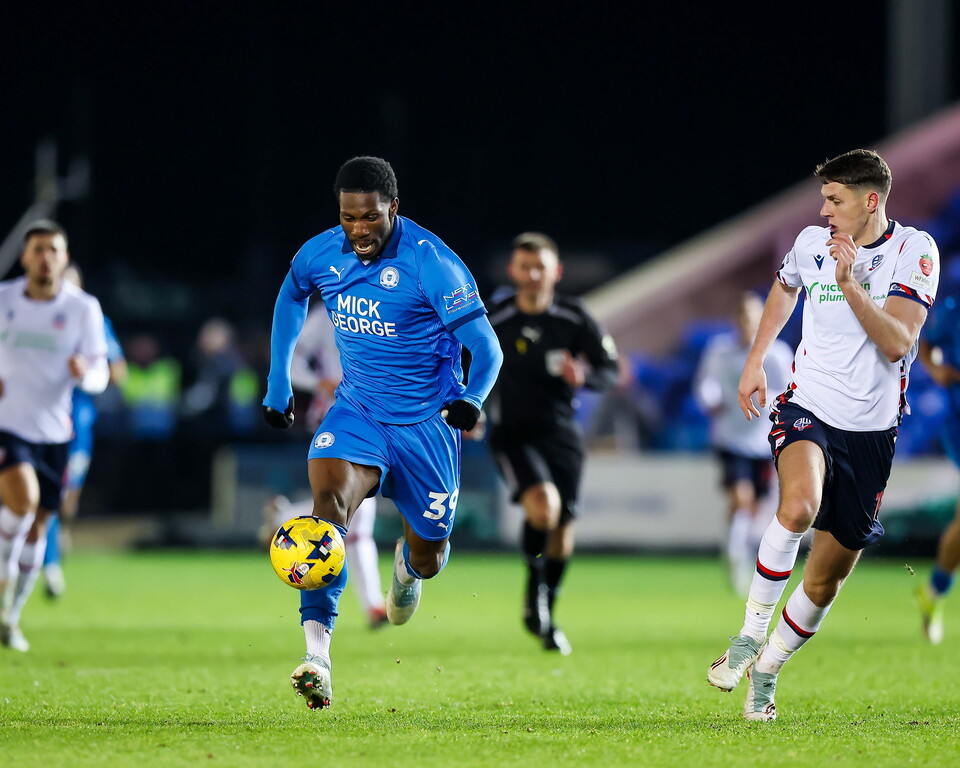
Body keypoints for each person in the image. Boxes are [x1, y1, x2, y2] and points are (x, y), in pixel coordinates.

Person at [706, 149, 940, 721]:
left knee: (824, 581)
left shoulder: (914, 252)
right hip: (808, 406)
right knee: (798, 507)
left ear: (870, 201)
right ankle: (746, 635)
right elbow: (786, 287)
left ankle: (768, 668)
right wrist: (755, 358)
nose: (824, 209)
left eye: (834, 199)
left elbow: (896, 343)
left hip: (871, 431)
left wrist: (848, 282)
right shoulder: (811, 242)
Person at [261, 156, 502, 710]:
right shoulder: (321, 253)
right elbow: (290, 296)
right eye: (348, 218)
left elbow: (486, 348)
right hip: (358, 412)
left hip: (427, 427)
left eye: (370, 217)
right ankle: (316, 657)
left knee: (430, 557)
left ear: (393, 208)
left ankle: (406, 570)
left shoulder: (432, 264)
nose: (359, 230)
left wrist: (470, 400)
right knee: (327, 516)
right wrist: (279, 382)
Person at [486, 232, 619, 655]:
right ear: (513, 270)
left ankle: (546, 613)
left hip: (561, 434)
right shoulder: (496, 318)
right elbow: (462, 360)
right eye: (524, 267)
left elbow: (610, 368)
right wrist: (468, 408)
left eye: (539, 267)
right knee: (544, 507)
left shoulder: (574, 317)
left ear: (556, 271)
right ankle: (533, 594)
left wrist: (586, 376)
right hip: (511, 433)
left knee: (563, 531)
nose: (532, 275)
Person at [0, 221, 109, 651]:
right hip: (8, 425)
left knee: (39, 526)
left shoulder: (83, 308)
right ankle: (3, 578)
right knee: (22, 503)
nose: (46, 257)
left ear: (64, 259)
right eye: (38, 249)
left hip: (55, 433)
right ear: (25, 257)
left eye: (54, 250)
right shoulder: (4, 300)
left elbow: (101, 371)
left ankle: (11, 618)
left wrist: (87, 375)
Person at [262, 304, 388, 630]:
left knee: (351, 514)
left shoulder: (383, 302)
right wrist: (322, 383)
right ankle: (373, 605)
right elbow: (290, 360)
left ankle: (284, 517)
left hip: (376, 417)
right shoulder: (328, 313)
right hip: (338, 416)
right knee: (357, 517)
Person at [694, 292, 793, 596]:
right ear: (736, 320)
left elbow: (791, 389)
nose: (747, 322)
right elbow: (705, 384)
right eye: (742, 316)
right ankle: (734, 557)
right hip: (731, 438)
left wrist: (765, 398)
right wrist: (710, 400)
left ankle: (741, 549)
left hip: (764, 442)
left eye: (752, 316)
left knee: (757, 508)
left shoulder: (776, 353)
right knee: (741, 496)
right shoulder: (719, 351)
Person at [42, 263, 127, 598]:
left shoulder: (94, 322)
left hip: (79, 423)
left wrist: (90, 370)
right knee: (45, 491)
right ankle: (49, 566)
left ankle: (55, 535)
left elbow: (117, 371)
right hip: (43, 420)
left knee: (65, 499)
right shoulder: (38, 320)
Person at [914, 292, 960, 643]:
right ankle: (935, 591)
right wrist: (935, 369)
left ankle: (934, 591)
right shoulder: (952, 308)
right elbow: (925, 344)